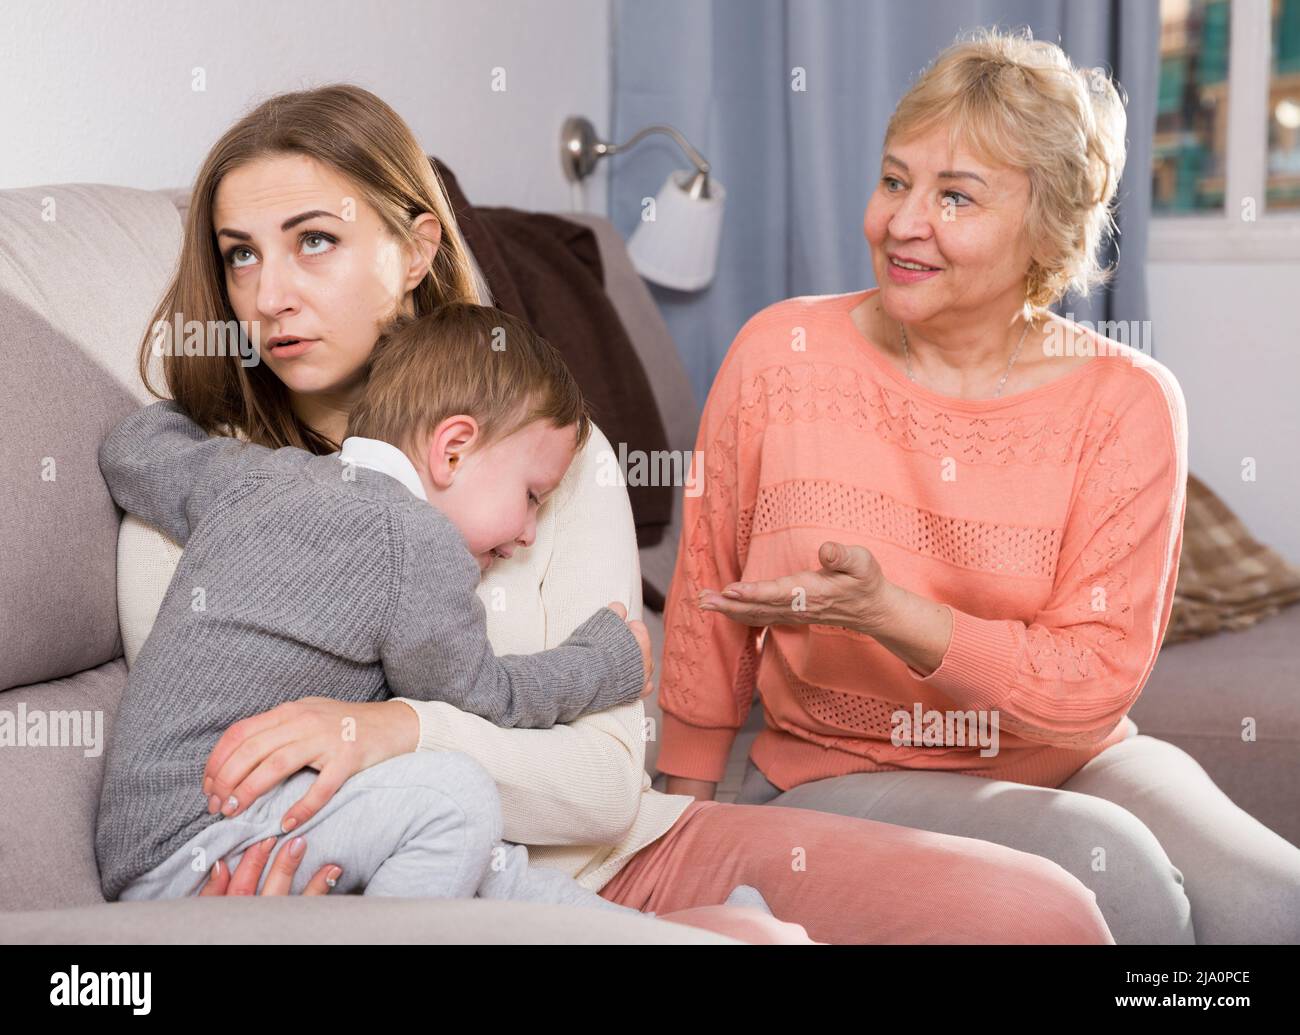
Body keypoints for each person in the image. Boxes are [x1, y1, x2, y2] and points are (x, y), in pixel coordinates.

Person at [117, 80, 1114, 944]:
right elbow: (233, 788)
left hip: (609, 855)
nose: (270, 295)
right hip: (369, 886)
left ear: (415, 248)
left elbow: (598, 784)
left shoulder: (544, 452)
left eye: (315, 243)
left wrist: (396, 730)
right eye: (240, 256)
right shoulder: (203, 489)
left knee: (1039, 917)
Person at [654, 26, 1300, 945]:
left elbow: (1089, 685)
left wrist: (896, 614)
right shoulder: (781, 353)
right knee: (1121, 879)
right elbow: (708, 601)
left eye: (955, 196)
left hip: (1070, 757)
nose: (902, 222)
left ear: (1048, 234)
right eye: (893, 180)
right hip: (840, 768)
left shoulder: (1128, 401)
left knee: (1277, 906)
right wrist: (686, 824)